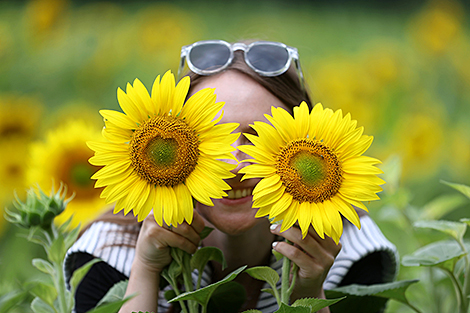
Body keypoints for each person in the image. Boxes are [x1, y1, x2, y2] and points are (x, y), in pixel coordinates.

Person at [64, 40, 399, 313]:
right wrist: (146, 272)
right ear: (178, 137)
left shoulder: (353, 253)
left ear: (305, 145)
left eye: (257, 137)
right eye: (217, 137)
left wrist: (307, 293)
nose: (234, 163)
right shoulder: (109, 253)